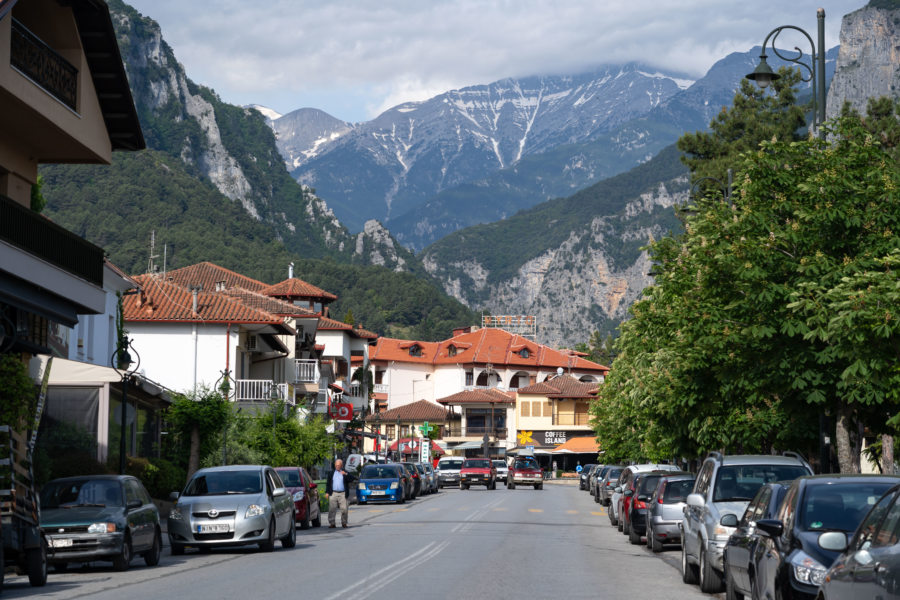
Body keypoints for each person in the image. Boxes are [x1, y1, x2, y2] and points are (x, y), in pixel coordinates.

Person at [326, 458, 354, 528]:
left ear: (341, 465)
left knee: (344, 509)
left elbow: (352, 479)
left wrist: (346, 474)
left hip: (343, 493)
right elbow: (328, 483)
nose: (337, 466)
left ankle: (344, 522)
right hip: (333, 493)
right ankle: (332, 523)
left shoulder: (344, 472)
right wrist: (327, 492)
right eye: (336, 465)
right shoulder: (331, 473)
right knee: (332, 509)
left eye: (338, 465)